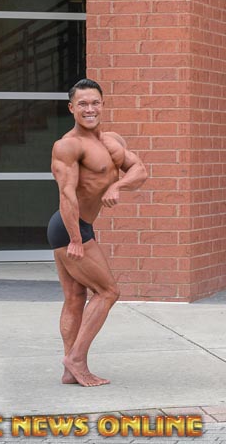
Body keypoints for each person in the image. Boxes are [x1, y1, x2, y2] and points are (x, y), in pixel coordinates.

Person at [48, 78, 147, 387]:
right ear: (71, 108)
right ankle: (76, 359)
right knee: (108, 292)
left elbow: (140, 171)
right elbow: (67, 194)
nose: (89, 109)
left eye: (94, 103)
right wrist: (76, 239)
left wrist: (118, 185)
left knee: (75, 297)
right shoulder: (68, 146)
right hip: (69, 228)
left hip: (78, 226)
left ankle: (70, 371)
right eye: (82, 104)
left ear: (102, 105)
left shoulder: (111, 141)